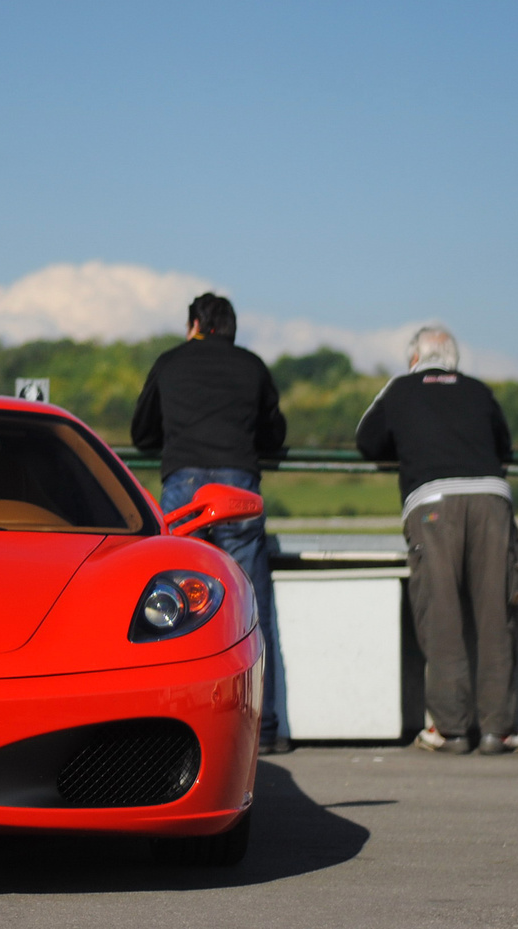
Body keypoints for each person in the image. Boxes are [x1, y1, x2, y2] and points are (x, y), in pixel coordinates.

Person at [355, 325, 518, 755]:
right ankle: (498, 730)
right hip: (491, 501)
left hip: (432, 502)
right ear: (454, 360)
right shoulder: (479, 390)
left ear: (414, 359)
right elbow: (504, 445)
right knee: (495, 613)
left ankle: (450, 730)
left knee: (442, 612)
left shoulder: (400, 388)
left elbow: (366, 441)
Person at [131, 293, 290, 753]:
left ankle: (169, 726)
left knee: (170, 610)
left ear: (194, 324)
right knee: (254, 608)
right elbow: (274, 435)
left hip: (183, 490)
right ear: (231, 328)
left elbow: (142, 432)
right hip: (239, 489)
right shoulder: (252, 366)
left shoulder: (170, 362)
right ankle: (265, 732)